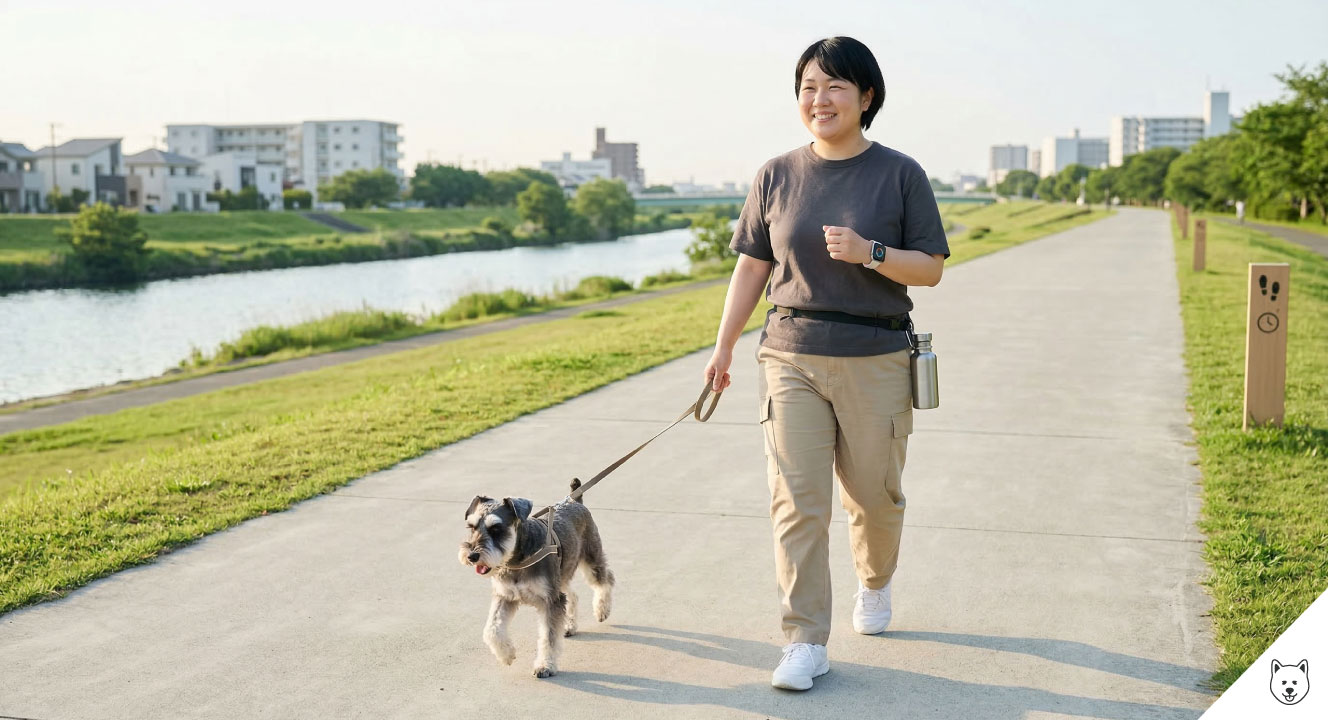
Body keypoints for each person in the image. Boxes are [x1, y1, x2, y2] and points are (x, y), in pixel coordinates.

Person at [703, 36, 950, 692]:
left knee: (873, 496)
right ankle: (805, 639)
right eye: (809, 87)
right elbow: (753, 265)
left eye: (835, 86)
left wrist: (872, 252)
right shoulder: (775, 174)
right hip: (789, 354)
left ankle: (875, 580)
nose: (820, 99)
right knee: (796, 502)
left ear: (867, 97)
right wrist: (724, 345)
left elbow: (930, 270)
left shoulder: (900, 174)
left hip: (875, 356)